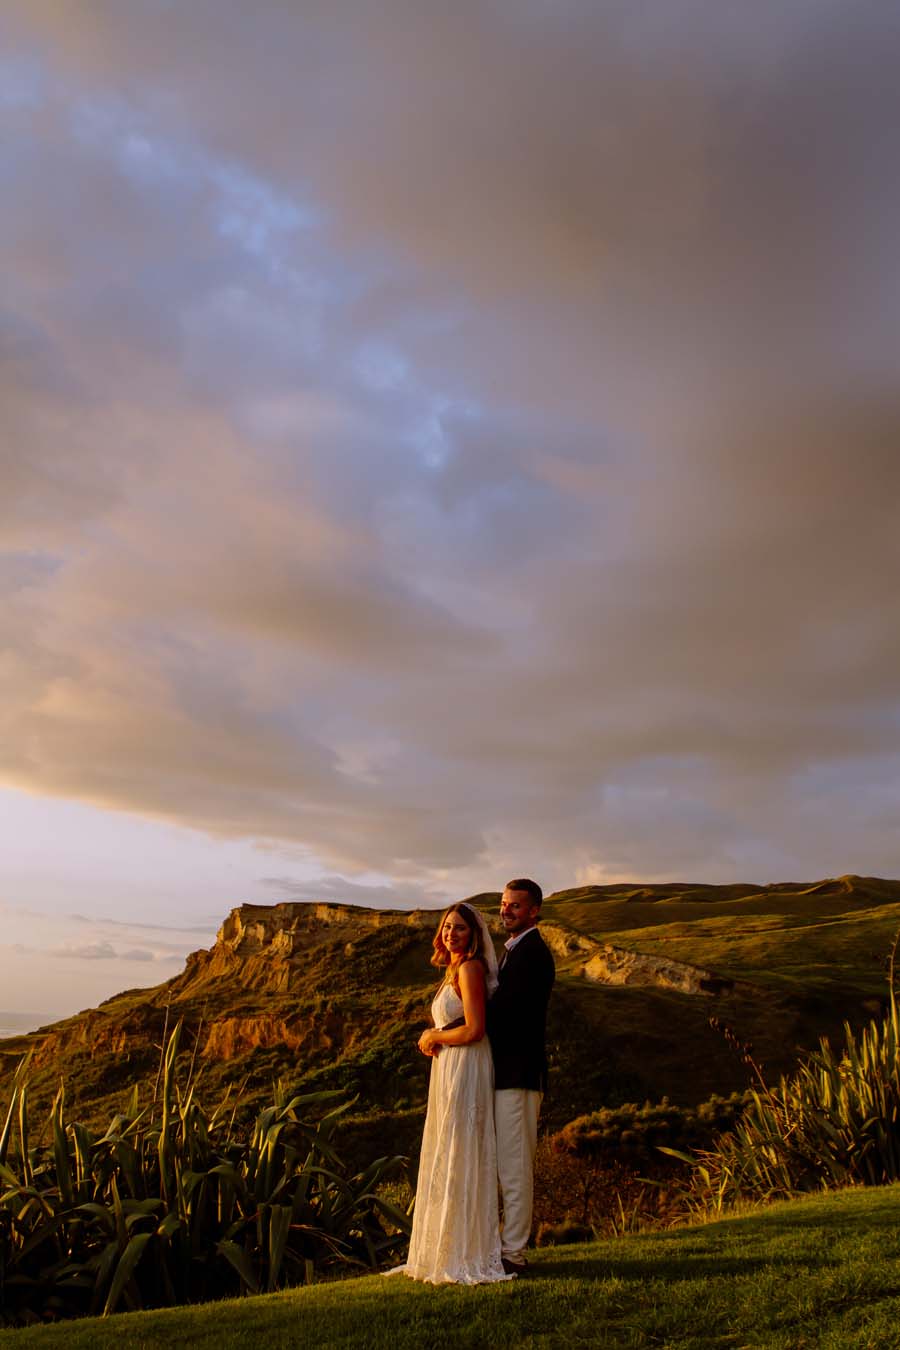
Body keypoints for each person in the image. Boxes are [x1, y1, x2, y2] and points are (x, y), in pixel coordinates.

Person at [390, 902, 513, 1284]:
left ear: (474, 935)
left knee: (461, 1148)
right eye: (447, 927)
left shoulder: (470, 968)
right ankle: (445, 1248)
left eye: (459, 928)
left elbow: (475, 1029)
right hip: (450, 1066)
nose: (451, 934)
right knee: (450, 1147)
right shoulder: (452, 969)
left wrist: (433, 1035)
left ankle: (466, 1252)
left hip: (466, 1064)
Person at [487, 878, 555, 1275]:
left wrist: (461, 1026)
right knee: (505, 1165)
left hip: (519, 1075)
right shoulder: (515, 951)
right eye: (504, 903)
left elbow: (509, 1016)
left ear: (534, 911)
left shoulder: (532, 954)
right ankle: (505, 1246)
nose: (507, 910)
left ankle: (514, 1253)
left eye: (515, 905)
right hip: (506, 1074)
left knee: (514, 1167)